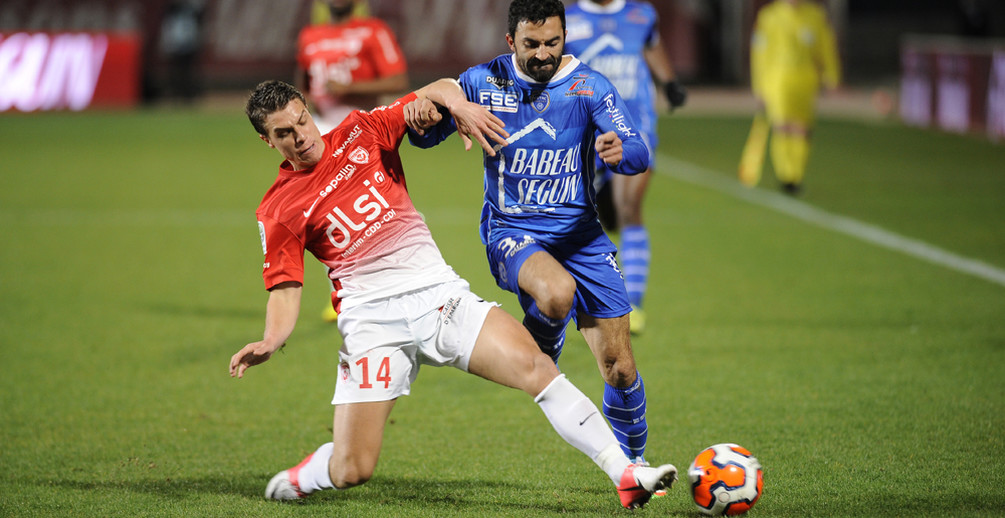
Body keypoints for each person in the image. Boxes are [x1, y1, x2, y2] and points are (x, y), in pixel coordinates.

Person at [230, 79, 677, 509]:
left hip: (439, 297)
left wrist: (458, 106)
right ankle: (306, 475)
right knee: (353, 469)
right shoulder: (278, 208)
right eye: (283, 134)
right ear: (268, 141)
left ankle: (624, 473)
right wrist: (271, 339)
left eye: (301, 122)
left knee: (536, 367)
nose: (299, 137)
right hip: (372, 325)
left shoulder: (362, 130)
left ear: (308, 112)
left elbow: (438, 87)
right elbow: (285, 288)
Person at [407, 0, 655, 466]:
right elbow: (426, 133)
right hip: (512, 231)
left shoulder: (590, 86)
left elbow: (639, 149)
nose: (543, 53)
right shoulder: (483, 83)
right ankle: (542, 355)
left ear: (564, 38)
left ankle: (634, 465)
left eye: (552, 43)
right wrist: (423, 118)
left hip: (583, 237)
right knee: (557, 293)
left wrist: (623, 151)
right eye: (531, 44)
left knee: (619, 368)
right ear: (510, 41)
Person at [564, 0, 687, 335]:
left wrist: (669, 82)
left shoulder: (641, 14)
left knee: (629, 205)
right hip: (583, 132)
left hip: (635, 127)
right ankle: (584, 293)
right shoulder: (570, 19)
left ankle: (634, 304)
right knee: (584, 215)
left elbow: (651, 47)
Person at [294, 0, 410, 321]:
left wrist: (350, 87)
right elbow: (302, 85)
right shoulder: (310, 35)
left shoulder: (373, 31)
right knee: (327, 218)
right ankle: (347, 292)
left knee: (373, 214)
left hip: (362, 130)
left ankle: (395, 287)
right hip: (321, 134)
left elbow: (398, 80)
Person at [740, 0, 840, 195]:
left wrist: (831, 75)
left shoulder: (815, 15)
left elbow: (826, 45)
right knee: (782, 124)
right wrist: (759, 85)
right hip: (778, 78)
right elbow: (760, 52)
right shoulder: (769, 16)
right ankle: (786, 174)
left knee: (802, 128)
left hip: (806, 78)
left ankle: (797, 173)